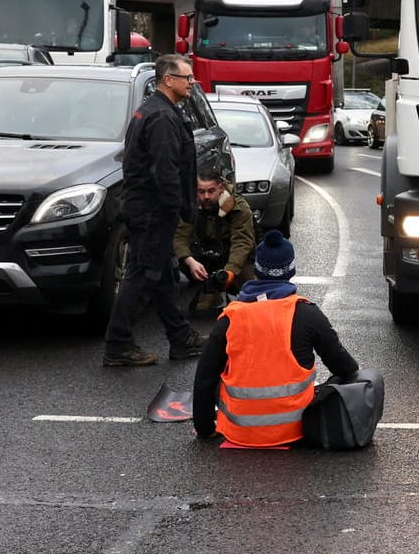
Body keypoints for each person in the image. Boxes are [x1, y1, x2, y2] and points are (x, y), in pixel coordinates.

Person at [192, 229, 361, 447]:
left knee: (218, 371)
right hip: (297, 429)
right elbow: (345, 367)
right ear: (290, 271)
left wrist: (204, 429)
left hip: (239, 431)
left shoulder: (231, 317)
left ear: (257, 271)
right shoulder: (307, 313)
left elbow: (205, 377)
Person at [103, 53, 205, 367]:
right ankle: (118, 344)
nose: (192, 83)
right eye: (187, 77)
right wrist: (175, 210)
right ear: (168, 80)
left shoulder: (153, 111)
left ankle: (181, 338)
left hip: (147, 209)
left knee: (163, 276)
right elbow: (166, 171)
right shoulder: (161, 117)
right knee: (142, 276)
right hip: (153, 213)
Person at [175, 169, 256, 316]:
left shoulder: (238, 207)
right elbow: (179, 237)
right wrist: (189, 261)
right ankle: (209, 291)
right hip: (206, 252)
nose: (205, 196)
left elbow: (242, 243)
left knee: (253, 299)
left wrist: (229, 272)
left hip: (232, 254)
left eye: (211, 191)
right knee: (183, 257)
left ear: (221, 188)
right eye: (201, 191)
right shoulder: (191, 205)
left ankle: (232, 287)